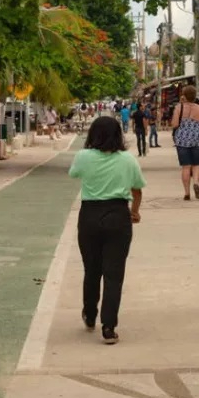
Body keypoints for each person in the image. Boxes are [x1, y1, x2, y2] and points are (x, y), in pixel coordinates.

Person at [69, 117, 145, 345]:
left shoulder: (83, 157)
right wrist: (135, 211)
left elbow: (74, 174)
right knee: (114, 274)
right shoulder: (128, 159)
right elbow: (137, 189)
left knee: (91, 269)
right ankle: (109, 327)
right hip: (118, 216)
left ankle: (90, 314)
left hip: (90, 215)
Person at [171, 85, 199, 200]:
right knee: (197, 164)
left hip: (182, 140)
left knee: (186, 167)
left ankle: (187, 193)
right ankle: (196, 183)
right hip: (197, 139)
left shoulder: (179, 108)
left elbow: (174, 124)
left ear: (184, 95)